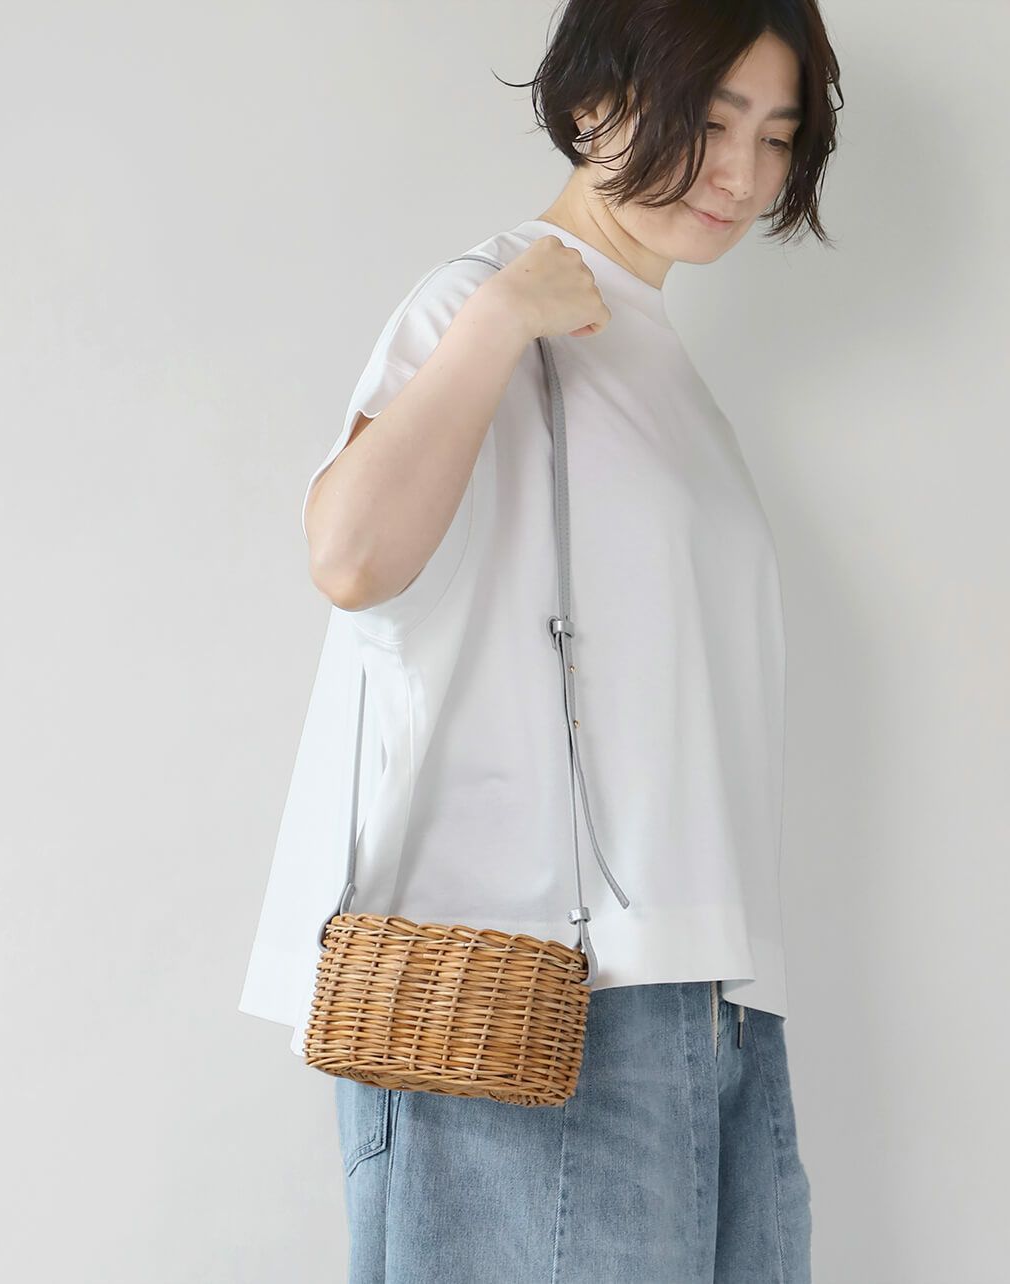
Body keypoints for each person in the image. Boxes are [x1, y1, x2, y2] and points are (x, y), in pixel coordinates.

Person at [239, 1, 843, 1279]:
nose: (741, 174)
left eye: (775, 136)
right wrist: (495, 321)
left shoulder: (657, 358)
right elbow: (350, 559)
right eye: (708, 121)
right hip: (535, 1005)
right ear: (590, 103)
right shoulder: (480, 298)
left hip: (709, 992)